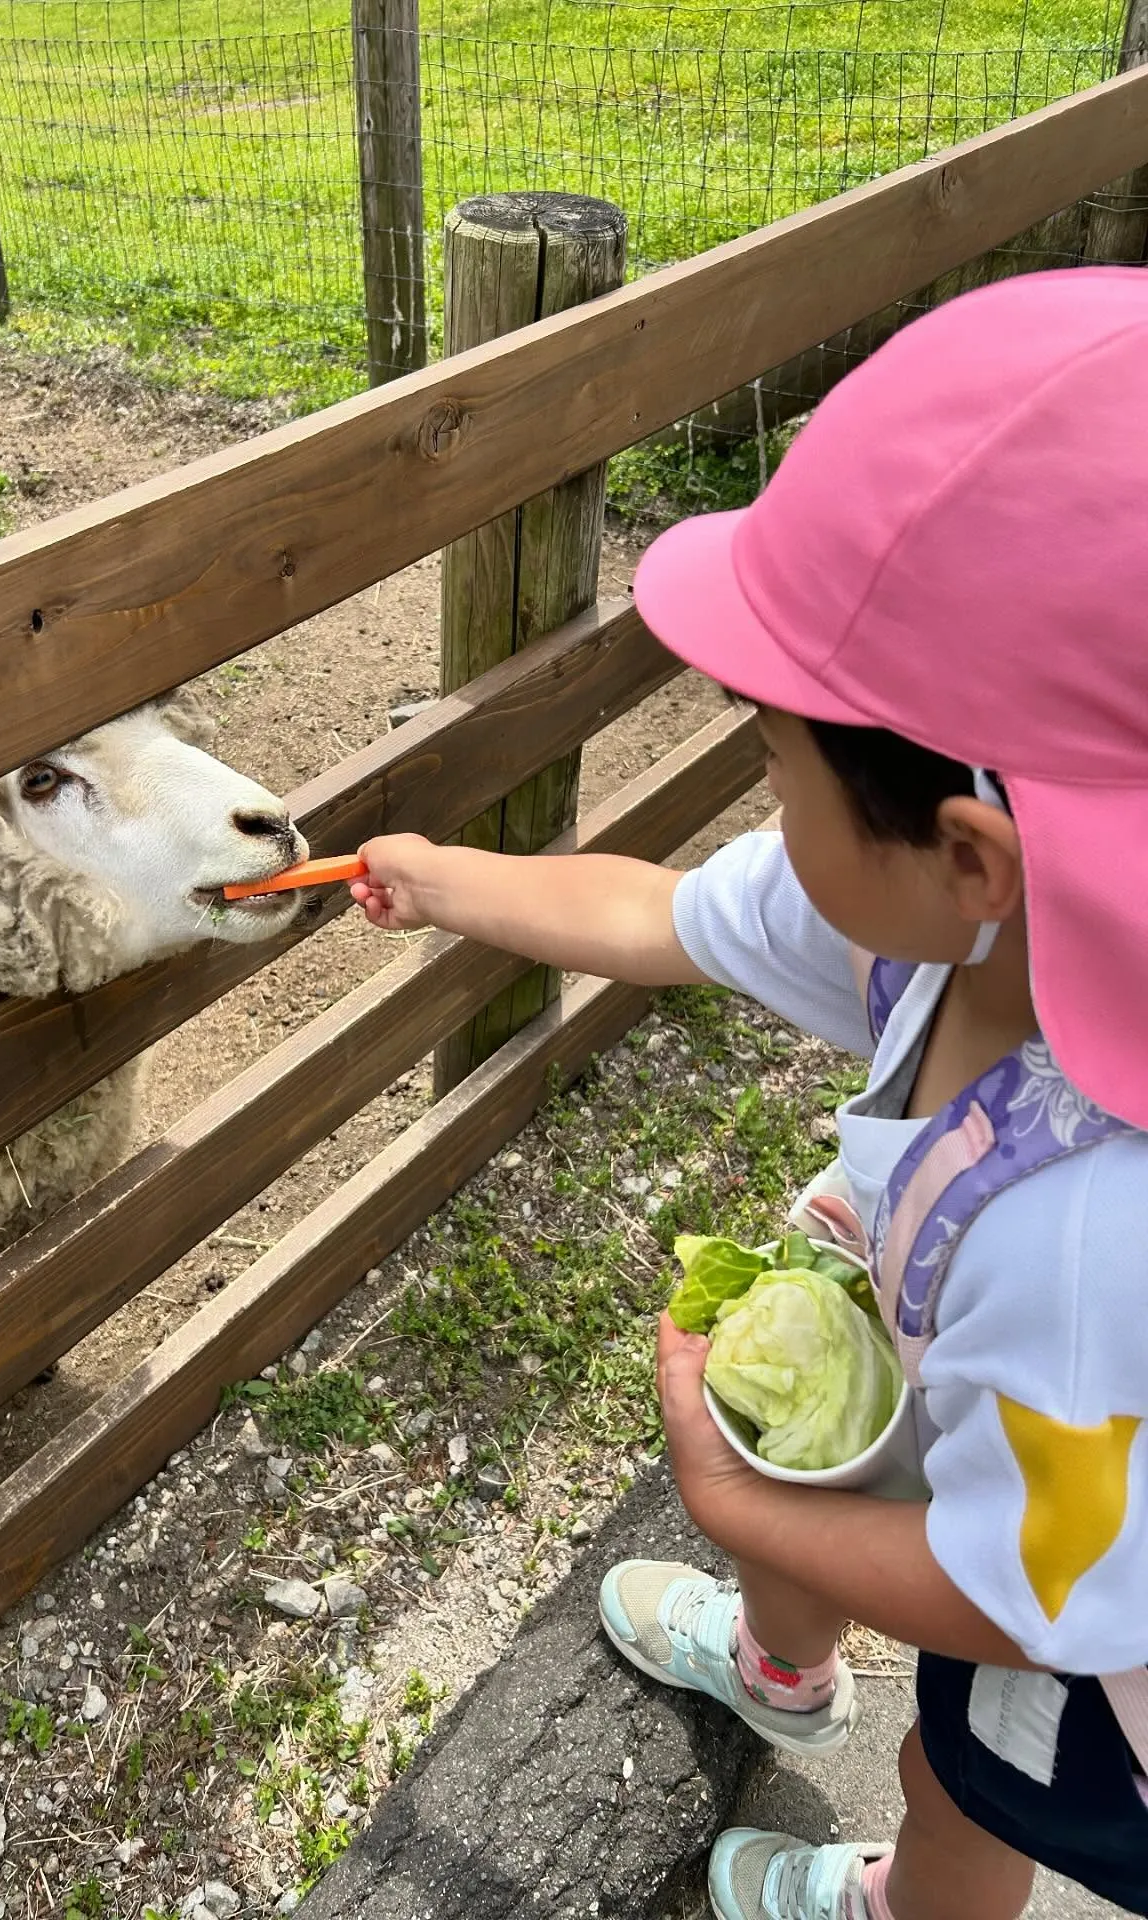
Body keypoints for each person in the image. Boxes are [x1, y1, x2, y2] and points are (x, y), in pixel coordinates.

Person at [348, 268, 1148, 1920]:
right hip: (1059, 1475)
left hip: (1108, 1658)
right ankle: (789, 1681)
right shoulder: (950, 934)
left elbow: (1033, 1600)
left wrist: (728, 1500)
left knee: (972, 1764)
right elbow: (653, 916)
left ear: (970, 849)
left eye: (775, 771)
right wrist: (444, 877)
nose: (765, 807)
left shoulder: (1088, 1251)